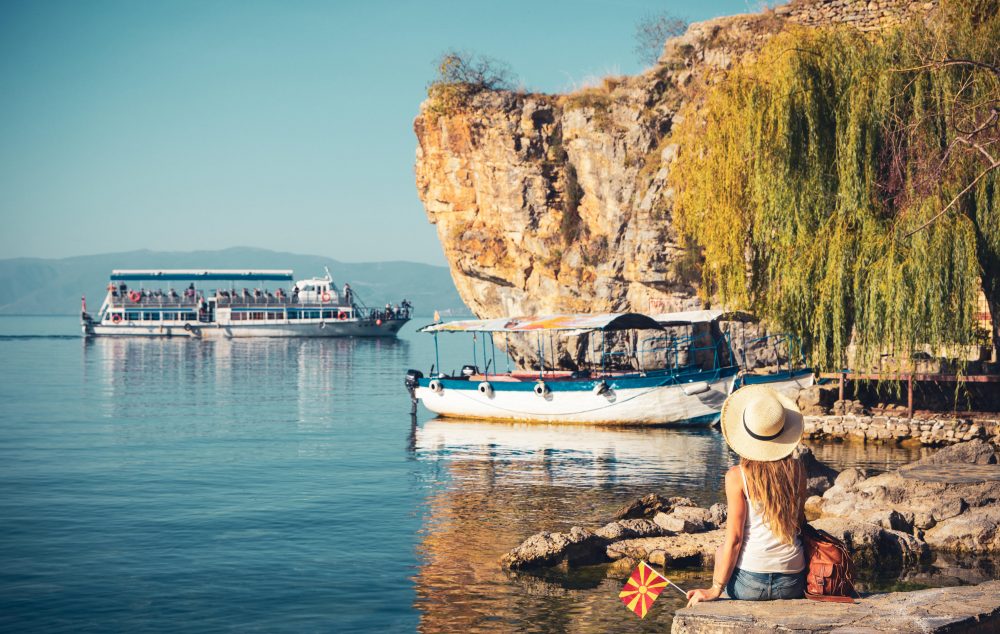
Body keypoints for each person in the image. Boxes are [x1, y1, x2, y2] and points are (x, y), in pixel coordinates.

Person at [686, 385, 807, 607]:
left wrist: (715, 588)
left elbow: (735, 539)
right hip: (793, 583)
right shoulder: (797, 471)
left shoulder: (737, 476)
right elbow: (800, 522)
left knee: (721, 550)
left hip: (750, 586)